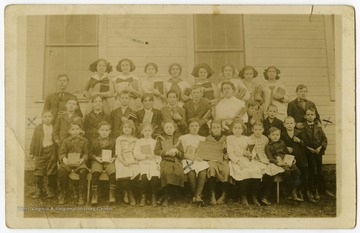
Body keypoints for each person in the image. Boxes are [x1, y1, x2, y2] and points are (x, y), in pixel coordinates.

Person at [227, 120, 263, 206]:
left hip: (247, 159)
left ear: (242, 130)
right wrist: (238, 161)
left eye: (239, 128)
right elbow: (230, 153)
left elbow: (253, 151)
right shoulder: (230, 138)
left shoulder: (247, 138)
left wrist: (250, 155)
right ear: (232, 129)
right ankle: (243, 197)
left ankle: (253, 196)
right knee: (243, 172)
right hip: (236, 160)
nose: (237, 130)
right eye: (235, 128)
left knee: (256, 170)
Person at [248, 122, 284, 206]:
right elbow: (250, 152)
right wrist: (258, 159)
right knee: (257, 171)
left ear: (263, 130)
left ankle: (264, 196)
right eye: (256, 129)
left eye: (260, 130)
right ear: (252, 129)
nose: (258, 131)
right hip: (254, 159)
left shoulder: (265, 139)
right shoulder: (249, 139)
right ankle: (254, 196)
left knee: (271, 171)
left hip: (265, 158)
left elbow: (268, 150)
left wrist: (267, 159)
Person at [301, 107, 334, 199]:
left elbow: (324, 139)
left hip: (318, 153)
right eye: (308, 115)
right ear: (305, 116)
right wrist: (309, 148)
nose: (310, 116)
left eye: (312, 115)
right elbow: (303, 141)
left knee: (319, 171)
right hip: (309, 153)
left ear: (315, 116)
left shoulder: (318, 127)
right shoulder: (303, 128)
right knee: (312, 172)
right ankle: (310, 190)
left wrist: (320, 147)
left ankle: (317, 190)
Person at [281, 116, 315, 203]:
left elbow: (307, 143)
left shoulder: (300, 133)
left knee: (304, 175)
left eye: (291, 123)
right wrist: (286, 148)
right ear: (284, 125)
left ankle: (305, 193)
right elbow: (279, 145)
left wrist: (300, 141)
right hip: (288, 158)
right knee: (293, 174)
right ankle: (293, 193)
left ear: (295, 124)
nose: (289, 125)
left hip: (300, 157)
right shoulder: (282, 134)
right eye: (287, 123)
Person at [265, 127, 302, 202]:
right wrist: (278, 162)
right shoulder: (268, 146)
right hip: (277, 163)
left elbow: (286, 153)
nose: (275, 136)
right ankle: (287, 192)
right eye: (273, 135)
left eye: (277, 135)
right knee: (287, 173)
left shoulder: (282, 143)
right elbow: (270, 158)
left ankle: (293, 192)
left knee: (297, 172)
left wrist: (292, 159)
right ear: (269, 136)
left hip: (286, 162)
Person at [57, 122, 89, 205]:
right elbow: (62, 152)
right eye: (73, 129)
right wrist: (64, 159)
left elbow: (86, 153)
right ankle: (63, 193)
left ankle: (81, 195)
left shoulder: (84, 141)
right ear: (69, 131)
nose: (75, 131)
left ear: (80, 130)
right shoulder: (66, 141)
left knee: (83, 171)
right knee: (62, 171)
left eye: (77, 129)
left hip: (79, 163)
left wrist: (82, 159)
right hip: (68, 163)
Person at [154, 121, 185, 207]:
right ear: (164, 129)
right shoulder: (160, 139)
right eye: (167, 128)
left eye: (171, 127)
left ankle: (165, 196)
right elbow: (156, 151)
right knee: (167, 172)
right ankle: (167, 196)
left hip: (176, 161)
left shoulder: (178, 140)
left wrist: (177, 151)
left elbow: (182, 155)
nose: (169, 129)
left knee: (177, 173)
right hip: (165, 160)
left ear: (174, 129)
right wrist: (166, 152)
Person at [179, 118, 209, 205]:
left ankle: (197, 196)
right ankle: (195, 195)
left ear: (199, 127)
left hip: (199, 159)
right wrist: (190, 157)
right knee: (191, 171)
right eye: (192, 126)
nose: (194, 128)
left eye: (196, 126)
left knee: (202, 170)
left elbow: (205, 152)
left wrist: (200, 157)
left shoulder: (203, 138)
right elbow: (181, 153)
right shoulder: (183, 138)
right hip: (188, 159)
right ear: (188, 127)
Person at [29, 111, 58, 199]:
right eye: (45, 117)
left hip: (51, 151)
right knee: (39, 170)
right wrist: (32, 152)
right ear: (42, 118)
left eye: (49, 116)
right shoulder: (38, 128)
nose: (47, 118)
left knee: (51, 170)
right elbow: (34, 140)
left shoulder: (54, 127)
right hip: (40, 151)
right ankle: (39, 190)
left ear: (52, 118)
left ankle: (50, 190)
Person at [133, 123, 161, 207]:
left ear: (152, 131)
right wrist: (145, 156)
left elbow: (158, 154)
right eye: (145, 131)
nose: (147, 132)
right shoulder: (139, 141)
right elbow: (136, 153)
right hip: (143, 162)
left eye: (149, 130)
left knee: (154, 176)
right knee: (144, 176)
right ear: (142, 132)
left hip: (152, 162)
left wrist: (157, 162)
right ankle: (143, 196)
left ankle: (153, 196)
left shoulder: (155, 142)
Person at [89, 121, 116, 205]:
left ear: (110, 131)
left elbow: (116, 153)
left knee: (113, 172)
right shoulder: (93, 141)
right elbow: (90, 153)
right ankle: (94, 195)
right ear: (98, 131)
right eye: (102, 130)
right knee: (95, 172)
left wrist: (113, 158)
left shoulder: (113, 141)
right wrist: (96, 158)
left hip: (109, 162)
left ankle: (112, 195)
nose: (104, 132)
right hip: (98, 161)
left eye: (107, 130)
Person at [114, 120, 139, 206]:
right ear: (122, 129)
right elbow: (118, 153)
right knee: (124, 170)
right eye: (125, 127)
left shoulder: (135, 139)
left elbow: (137, 151)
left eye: (129, 127)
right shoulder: (119, 139)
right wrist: (123, 162)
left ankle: (127, 192)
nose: (127, 129)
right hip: (122, 159)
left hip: (133, 158)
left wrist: (135, 160)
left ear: (132, 129)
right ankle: (129, 194)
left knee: (136, 170)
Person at [205, 120, 229, 205]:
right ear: (211, 129)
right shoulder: (208, 138)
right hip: (211, 159)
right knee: (211, 168)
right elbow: (205, 151)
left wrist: (226, 154)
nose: (216, 129)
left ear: (221, 128)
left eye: (218, 127)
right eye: (214, 128)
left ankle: (224, 195)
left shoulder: (225, 138)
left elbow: (227, 152)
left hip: (222, 159)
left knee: (226, 169)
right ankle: (212, 195)